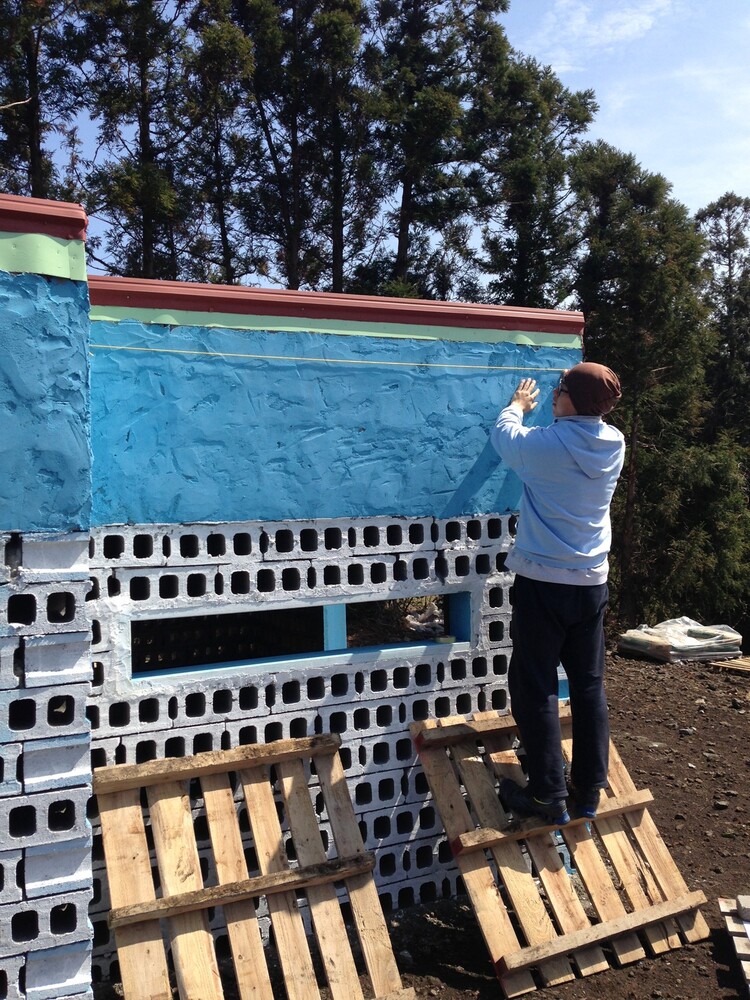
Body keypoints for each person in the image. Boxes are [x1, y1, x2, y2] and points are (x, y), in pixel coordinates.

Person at [489, 362, 625, 825]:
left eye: (559, 388)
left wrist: (516, 406)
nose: (552, 394)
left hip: (544, 583)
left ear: (571, 399)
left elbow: (505, 437)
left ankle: (548, 794)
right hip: (591, 584)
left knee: (535, 685)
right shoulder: (613, 442)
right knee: (588, 685)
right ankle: (588, 789)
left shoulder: (545, 446)